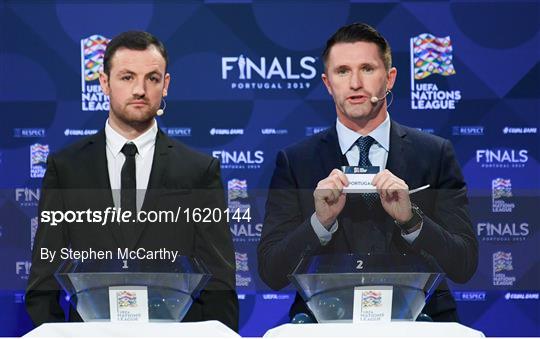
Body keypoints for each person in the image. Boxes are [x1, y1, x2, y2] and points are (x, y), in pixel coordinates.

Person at [257, 23, 478, 322]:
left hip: (420, 321)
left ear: (390, 78)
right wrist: (319, 222)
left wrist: (412, 221)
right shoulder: (296, 162)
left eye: (367, 69)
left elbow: (464, 264)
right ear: (327, 83)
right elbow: (271, 272)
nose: (355, 83)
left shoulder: (435, 154)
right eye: (343, 71)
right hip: (325, 322)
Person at [25, 31, 238, 331]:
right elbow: (44, 278)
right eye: (127, 77)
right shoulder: (67, 168)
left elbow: (219, 281)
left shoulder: (199, 170)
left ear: (165, 86)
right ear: (104, 83)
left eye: (152, 78)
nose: (140, 89)